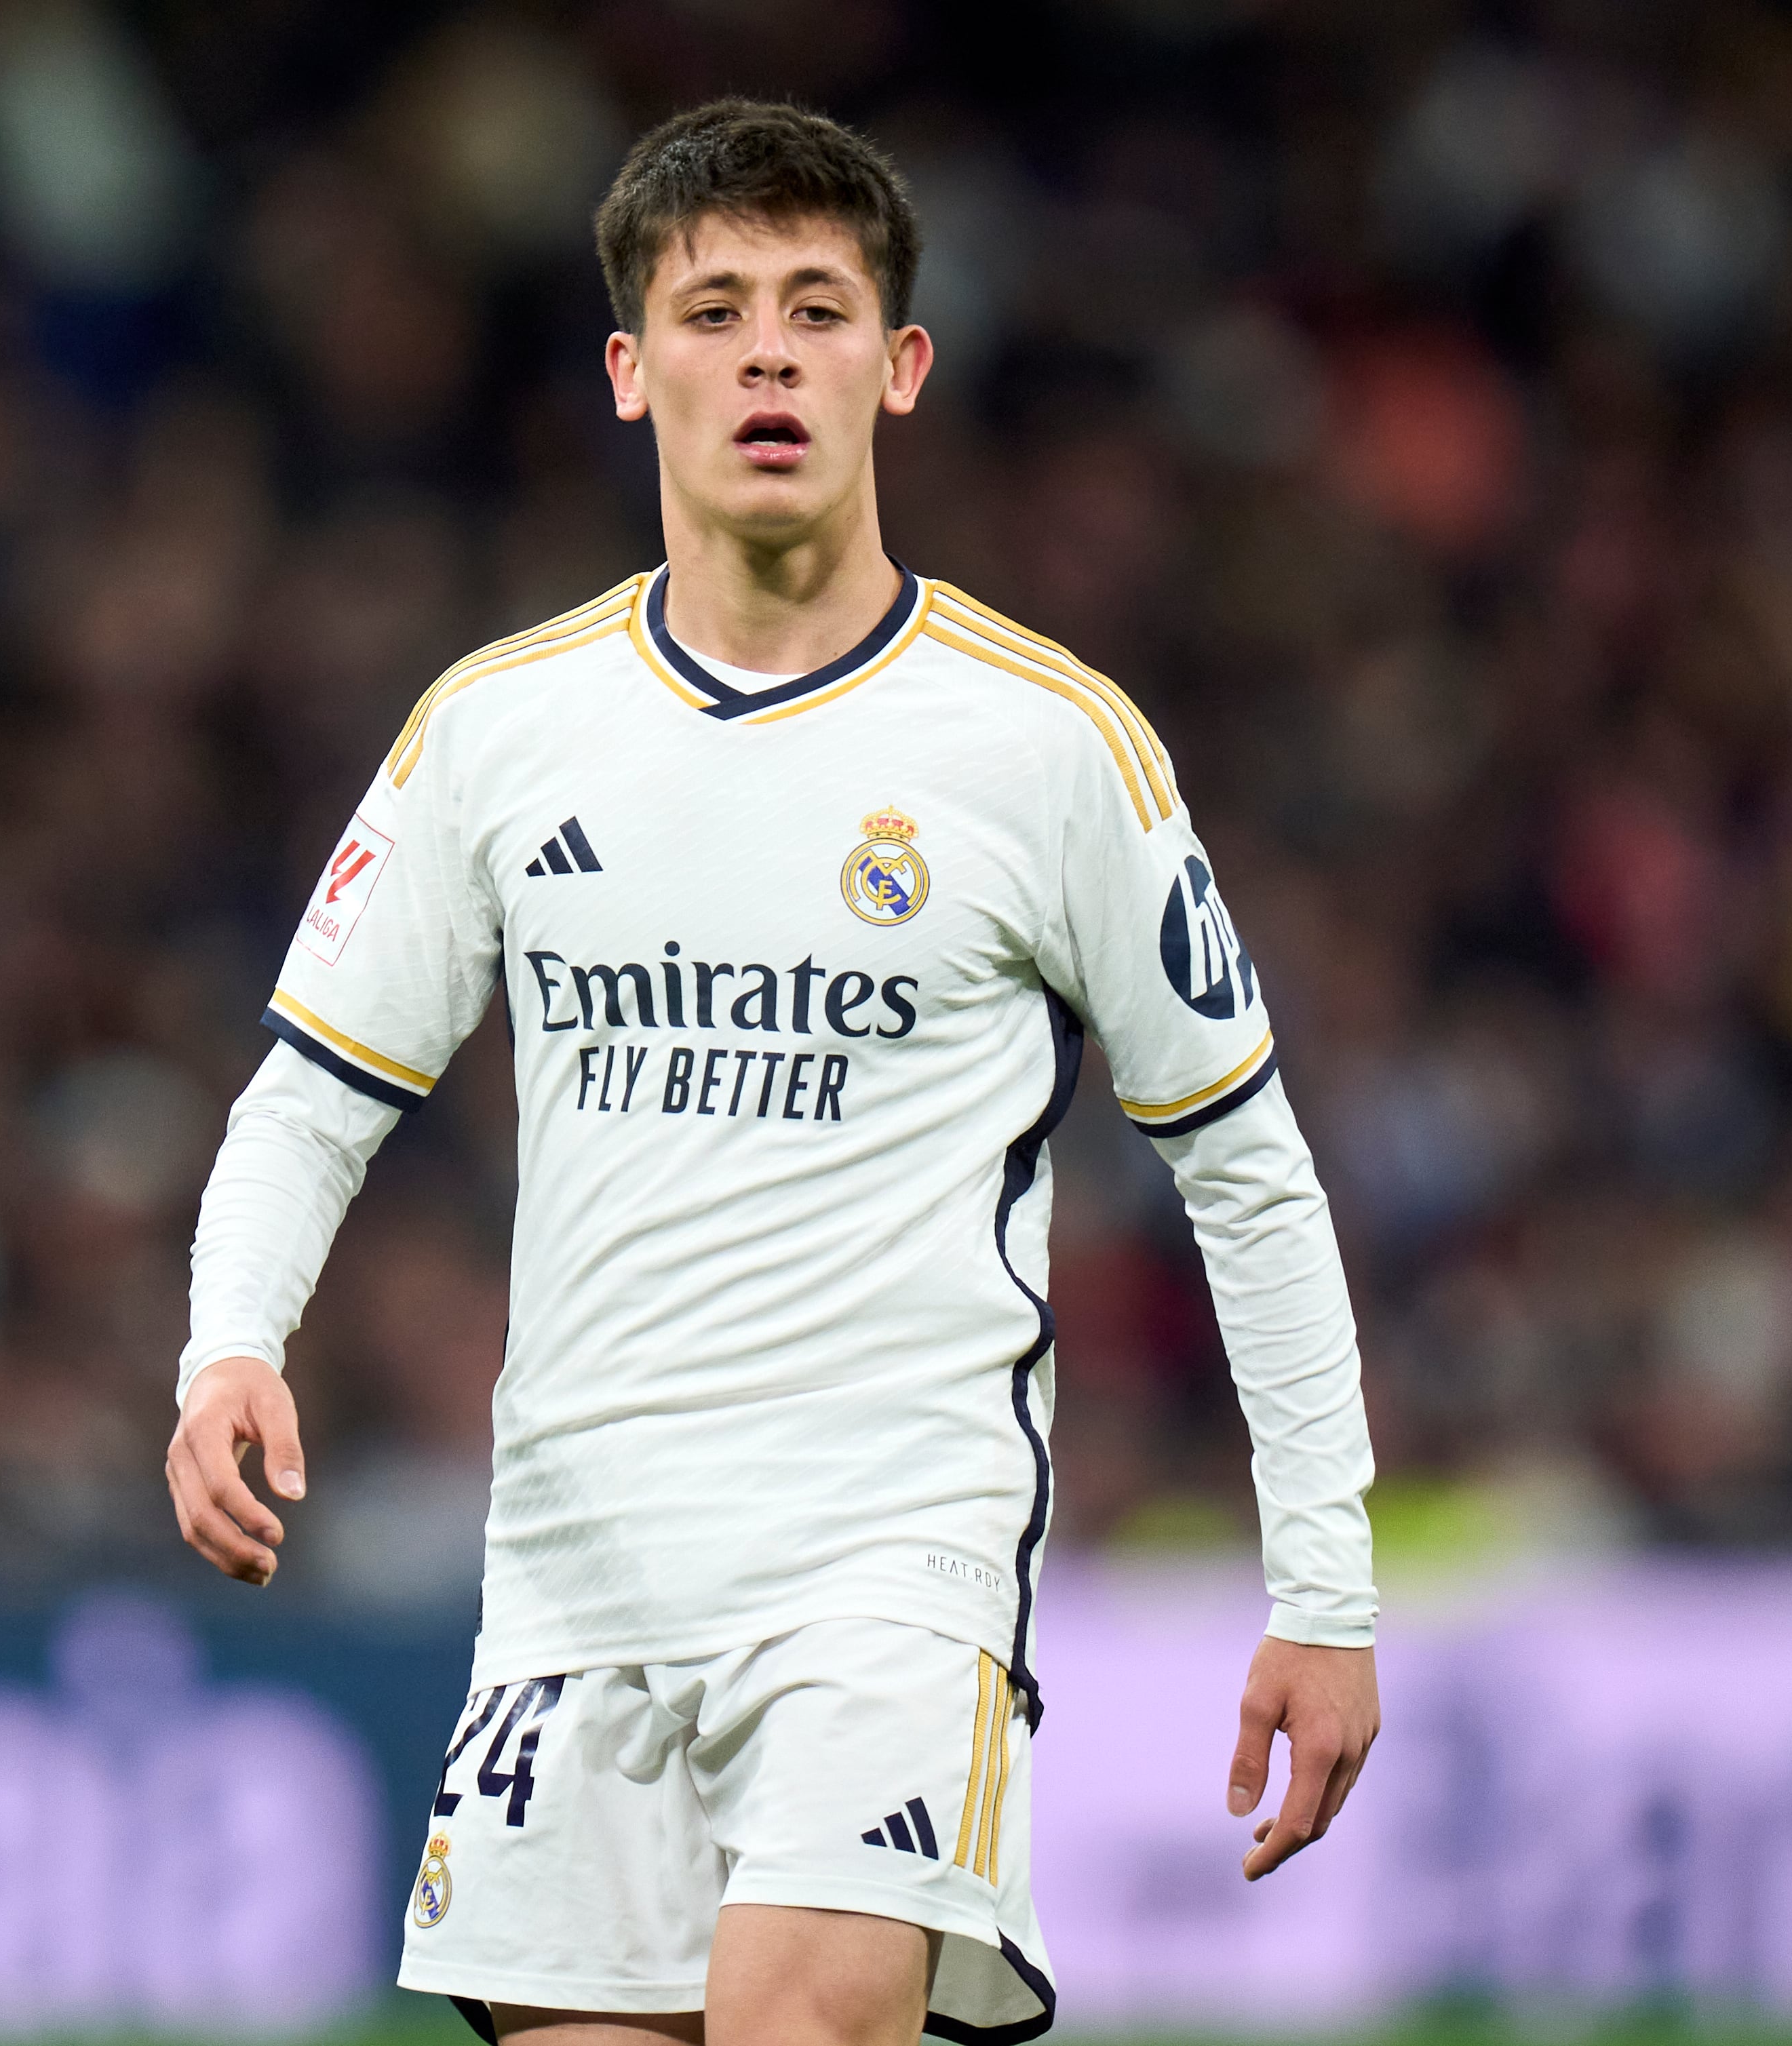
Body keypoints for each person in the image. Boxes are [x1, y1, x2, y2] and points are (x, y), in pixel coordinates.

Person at [168, 99, 1378, 2046]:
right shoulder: (500, 731)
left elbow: (1249, 1170)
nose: (766, 354)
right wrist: (230, 1340)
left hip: (889, 1568)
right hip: (577, 1578)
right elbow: (311, 1094)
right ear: (635, 374)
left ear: (897, 369)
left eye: (817, 309)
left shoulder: (1048, 746)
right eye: (714, 309)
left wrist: (1325, 1588)